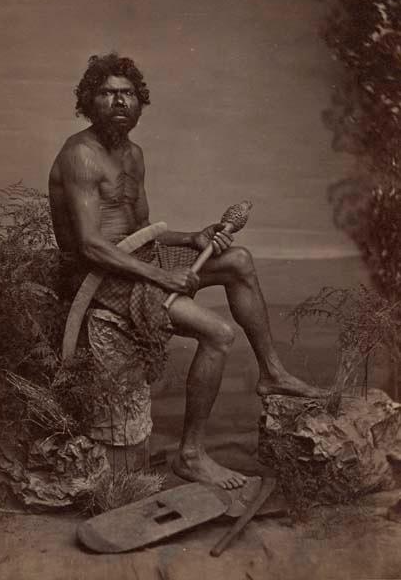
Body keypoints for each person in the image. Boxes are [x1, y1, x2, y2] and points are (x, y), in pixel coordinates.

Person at [49, 53, 325, 490]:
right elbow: (90, 246)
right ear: (88, 101)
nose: (118, 101)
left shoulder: (134, 155)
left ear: (140, 103)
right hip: (99, 279)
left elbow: (142, 232)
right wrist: (163, 278)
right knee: (218, 333)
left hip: (136, 262)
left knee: (238, 261)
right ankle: (191, 454)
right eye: (106, 94)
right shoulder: (81, 156)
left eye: (127, 94)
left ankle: (272, 373)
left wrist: (192, 237)